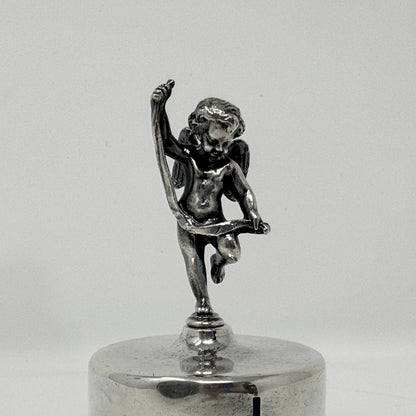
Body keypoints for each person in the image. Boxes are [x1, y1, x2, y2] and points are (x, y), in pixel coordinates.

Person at [151, 80, 269, 315]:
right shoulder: (189, 157)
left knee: (232, 254)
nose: (220, 149)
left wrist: (252, 213)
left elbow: (244, 192)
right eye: (214, 142)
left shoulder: (229, 166)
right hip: (188, 221)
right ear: (198, 133)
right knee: (193, 261)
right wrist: (159, 107)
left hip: (217, 223)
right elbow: (164, 141)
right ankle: (203, 302)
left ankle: (219, 261)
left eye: (226, 144)